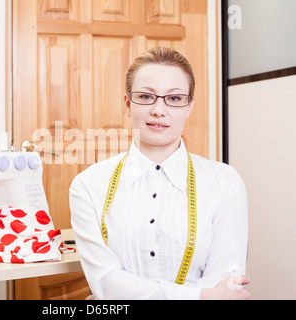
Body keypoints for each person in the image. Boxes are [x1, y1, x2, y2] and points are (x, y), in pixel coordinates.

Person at [69, 47, 250, 300]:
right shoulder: (88, 185)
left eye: (174, 99)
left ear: (189, 106)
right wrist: (200, 296)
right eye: (145, 97)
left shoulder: (224, 182)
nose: (158, 110)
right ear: (127, 104)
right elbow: (106, 283)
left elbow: (224, 282)